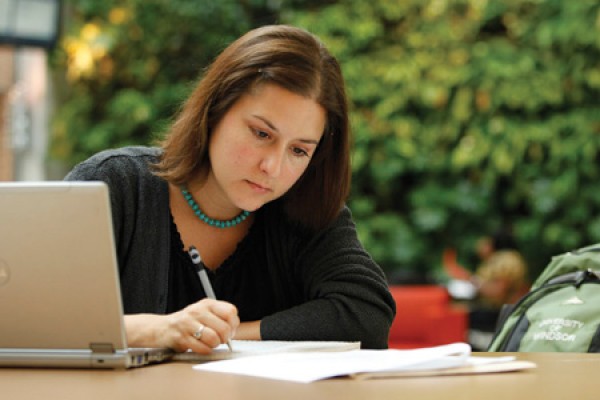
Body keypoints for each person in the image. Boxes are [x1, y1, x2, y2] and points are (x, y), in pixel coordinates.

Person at [64, 25, 396, 353]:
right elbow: (25, 317)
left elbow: (367, 315)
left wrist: (226, 336)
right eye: (262, 134)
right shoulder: (112, 186)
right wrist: (160, 331)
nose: (273, 168)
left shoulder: (308, 210)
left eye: (299, 150)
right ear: (215, 110)